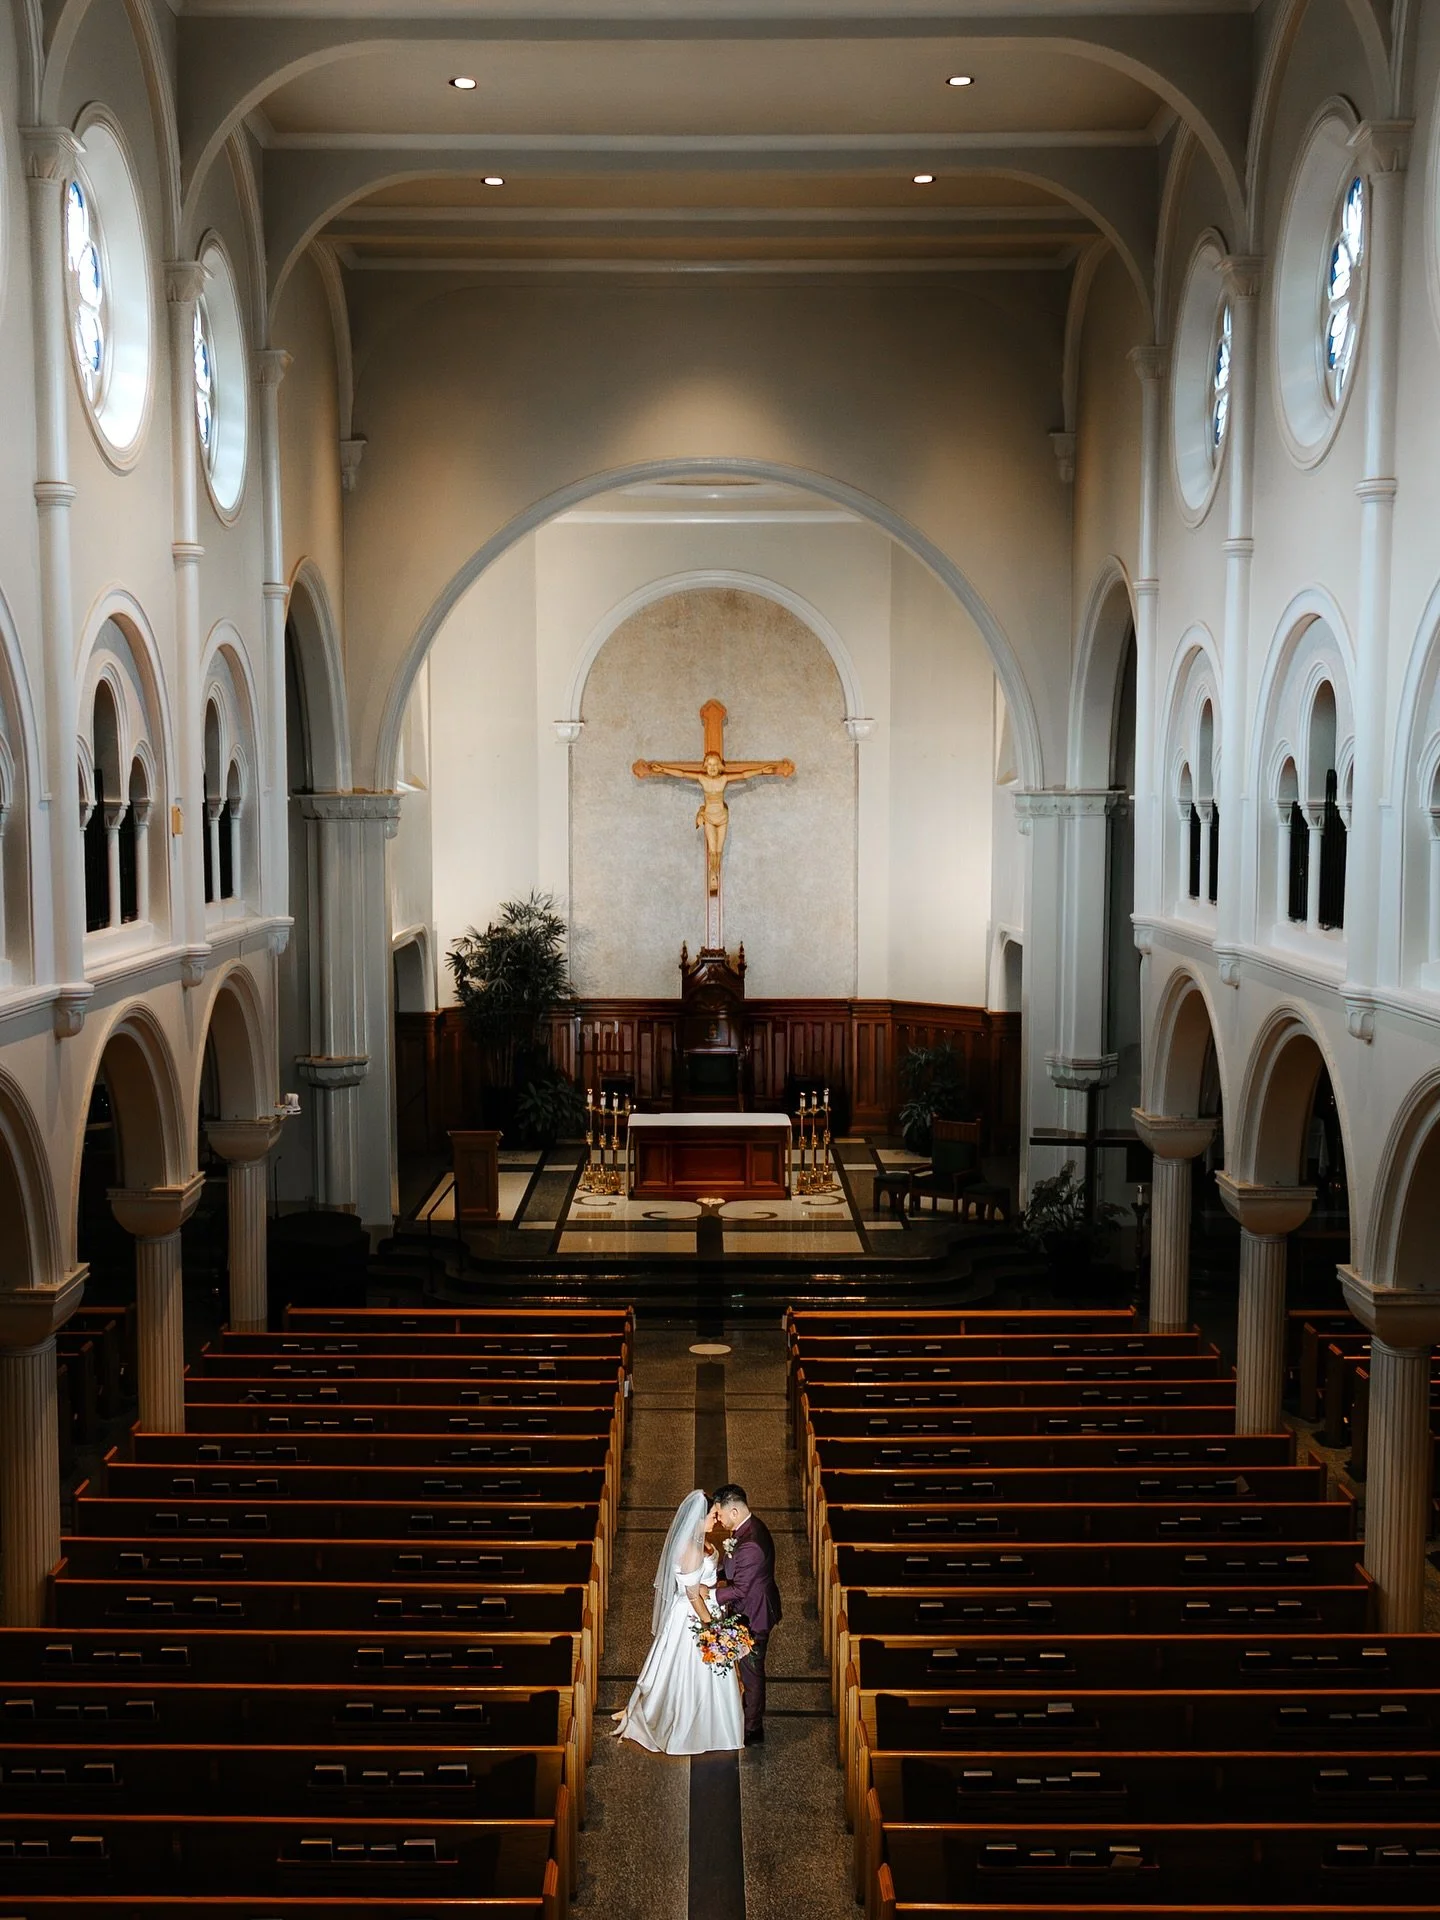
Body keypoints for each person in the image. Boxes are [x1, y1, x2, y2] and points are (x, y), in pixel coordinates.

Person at [612, 1489, 743, 1754]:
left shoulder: (703, 1542)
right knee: (689, 1671)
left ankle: (716, 1724)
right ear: (699, 1518)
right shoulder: (690, 1549)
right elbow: (692, 1595)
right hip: (692, 1616)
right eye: (713, 1515)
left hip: (708, 1607)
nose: (717, 1519)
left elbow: (705, 1581)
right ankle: (687, 1726)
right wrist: (712, 1627)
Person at [711, 1482, 782, 1746]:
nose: (718, 1519)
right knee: (748, 1669)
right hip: (751, 1608)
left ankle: (753, 1728)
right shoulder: (748, 1528)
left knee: (752, 1672)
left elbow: (740, 1589)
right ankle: (746, 1713)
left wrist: (709, 1595)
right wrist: (712, 1573)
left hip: (754, 1615)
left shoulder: (751, 1544)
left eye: (720, 1514)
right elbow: (735, 1569)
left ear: (734, 1511)